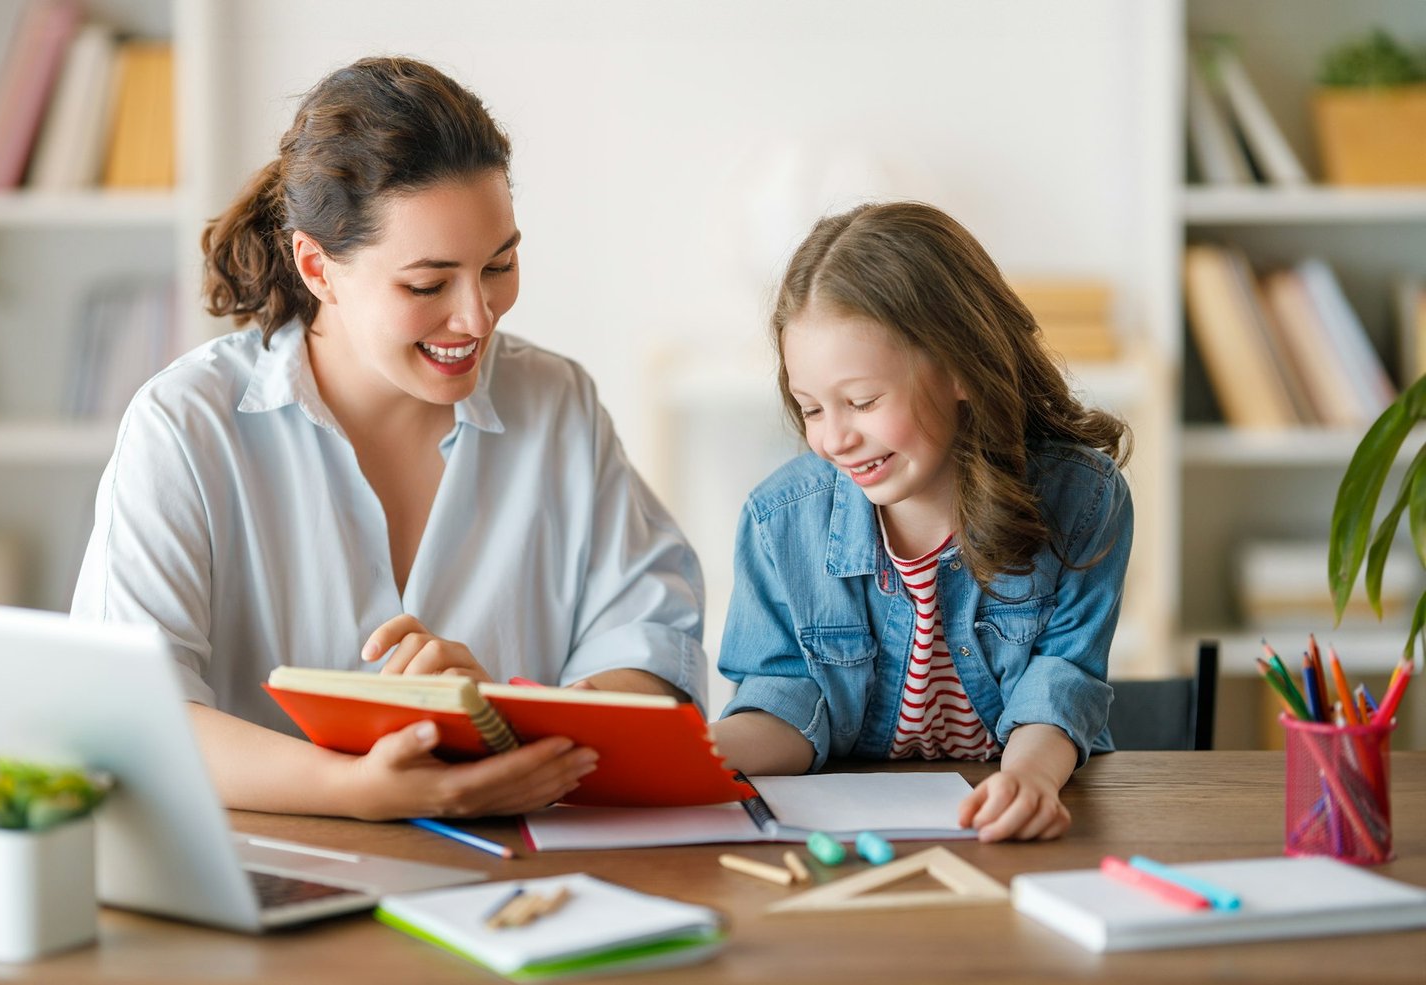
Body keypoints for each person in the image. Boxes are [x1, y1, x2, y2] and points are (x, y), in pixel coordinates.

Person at [71, 56, 706, 821]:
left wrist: (504, 719)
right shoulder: (184, 427)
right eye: (428, 284)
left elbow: (650, 649)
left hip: (513, 881)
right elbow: (131, 713)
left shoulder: (557, 403)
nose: (477, 317)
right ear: (318, 266)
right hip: (262, 883)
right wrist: (353, 788)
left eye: (499, 264)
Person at [709, 201, 1133, 843]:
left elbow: (1061, 682)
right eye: (811, 408)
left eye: (862, 402)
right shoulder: (779, 522)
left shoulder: (1083, 500)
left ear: (959, 366)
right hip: (851, 840)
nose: (834, 439)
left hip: (1015, 830)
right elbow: (785, 698)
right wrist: (697, 755)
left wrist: (1029, 780)